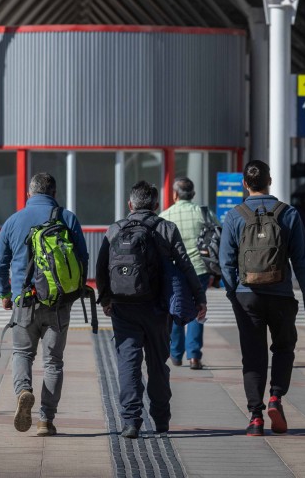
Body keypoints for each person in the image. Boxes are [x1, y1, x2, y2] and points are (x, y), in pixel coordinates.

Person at [96, 181, 207, 439]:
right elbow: (185, 265)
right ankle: (160, 418)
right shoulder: (166, 228)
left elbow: (102, 268)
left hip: (123, 307)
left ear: (130, 204)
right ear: (156, 205)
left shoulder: (115, 229)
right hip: (158, 309)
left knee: (128, 364)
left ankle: (131, 421)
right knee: (158, 364)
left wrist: (105, 300)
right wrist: (199, 298)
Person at [219, 160, 305, 437]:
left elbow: (225, 262)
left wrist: (233, 293)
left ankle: (255, 417)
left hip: (247, 296)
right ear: (269, 181)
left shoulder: (234, 215)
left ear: (244, 183)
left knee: (253, 355)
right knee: (284, 348)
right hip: (281, 295)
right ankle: (276, 397)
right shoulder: (288, 213)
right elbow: (302, 261)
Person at [0, 173, 88, 437]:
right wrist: (72, 291)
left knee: (22, 354)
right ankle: (46, 420)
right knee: (53, 363)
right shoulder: (67, 218)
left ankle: (24, 391)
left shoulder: (14, 220)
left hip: (24, 300)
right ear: (54, 193)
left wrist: (4, 293)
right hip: (58, 302)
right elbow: (82, 258)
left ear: (29, 193)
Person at [160, 177, 213, 370]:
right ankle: (194, 356)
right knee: (199, 309)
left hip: (175, 271)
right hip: (200, 269)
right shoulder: (203, 213)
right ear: (193, 194)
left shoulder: (165, 215)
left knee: (176, 306)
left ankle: (175, 353)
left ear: (174, 194)